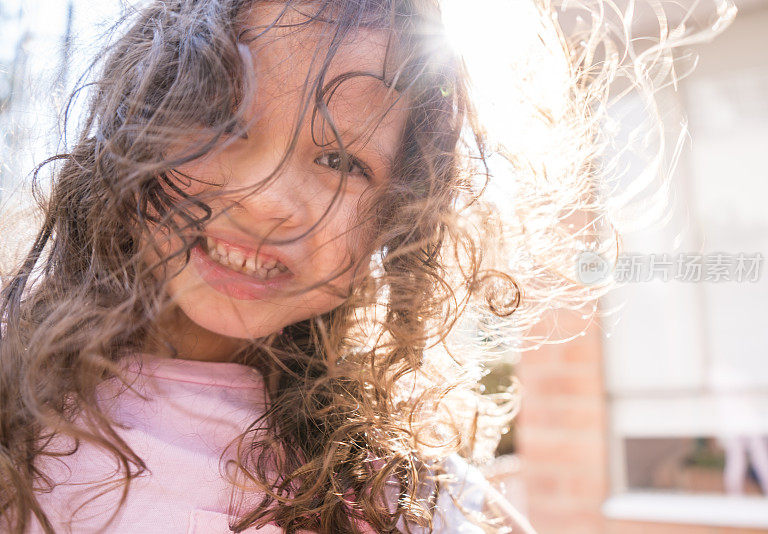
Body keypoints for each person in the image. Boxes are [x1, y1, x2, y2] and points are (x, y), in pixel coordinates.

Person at [0, 0, 729, 532]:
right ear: (133, 127)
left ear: (397, 222)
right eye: (225, 123)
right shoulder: (18, 412)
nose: (269, 201)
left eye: (340, 161)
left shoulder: (397, 495)